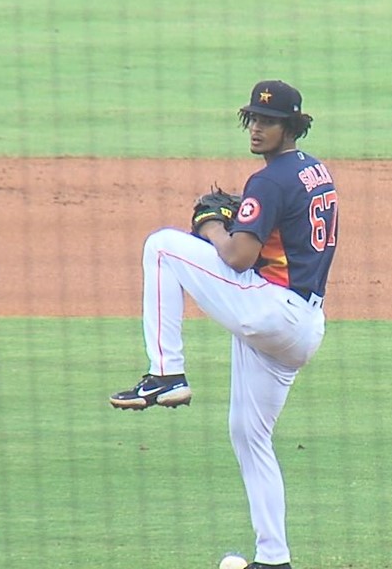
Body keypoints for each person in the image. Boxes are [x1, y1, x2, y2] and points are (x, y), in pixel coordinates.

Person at [110, 80, 339, 569]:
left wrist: (212, 224)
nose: (257, 127)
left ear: (291, 126)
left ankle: (166, 373)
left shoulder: (270, 180)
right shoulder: (314, 170)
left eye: (269, 120)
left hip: (272, 311)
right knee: (248, 435)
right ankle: (274, 559)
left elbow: (237, 257)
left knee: (161, 246)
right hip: (303, 327)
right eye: (253, 118)